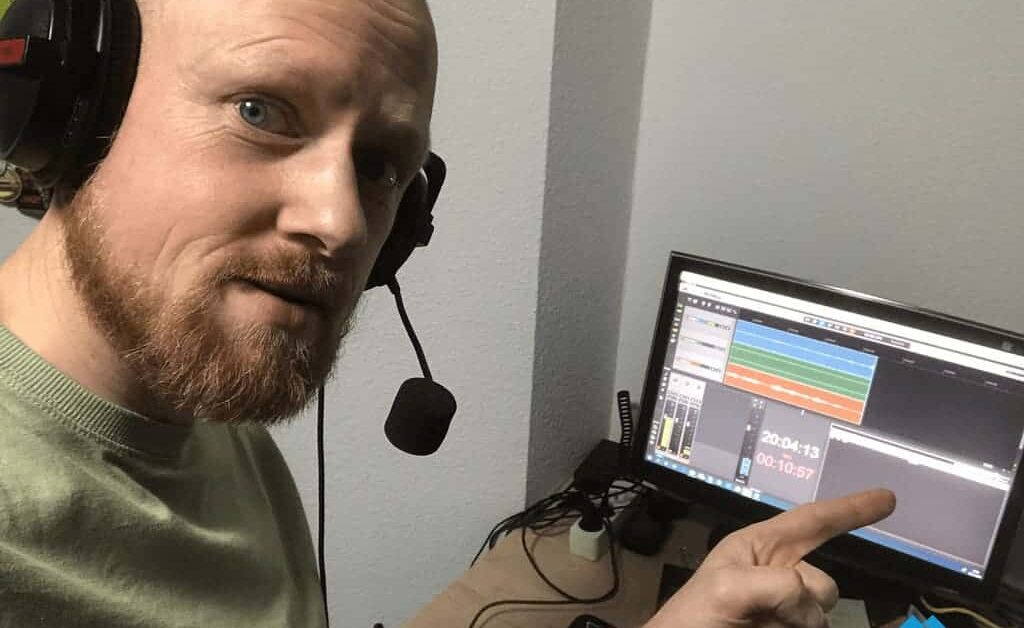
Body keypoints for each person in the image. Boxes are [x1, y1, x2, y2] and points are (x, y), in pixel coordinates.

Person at [0, 0, 895, 626]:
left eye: (380, 166)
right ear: (68, 110)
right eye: (261, 110)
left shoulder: (201, 410)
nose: (343, 222)